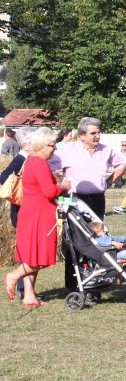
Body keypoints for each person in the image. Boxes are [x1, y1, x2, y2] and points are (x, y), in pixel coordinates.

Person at [49, 117, 126, 293]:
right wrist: (60, 187)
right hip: (76, 200)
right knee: (74, 241)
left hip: (97, 199)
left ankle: (95, 280)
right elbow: (46, 165)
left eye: (98, 132)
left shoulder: (106, 150)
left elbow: (124, 162)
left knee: (97, 238)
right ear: (81, 135)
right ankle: (73, 284)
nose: (97, 136)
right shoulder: (68, 151)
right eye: (93, 133)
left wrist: (110, 181)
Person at [3, 128, 71, 307]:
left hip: (32, 213)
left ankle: (29, 296)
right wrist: (63, 186)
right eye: (52, 146)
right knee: (42, 257)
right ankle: (13, 276)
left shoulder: (32, 161)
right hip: (38, 215)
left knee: (32, 255)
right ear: (42, 145)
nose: (54, 150)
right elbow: (49, 192)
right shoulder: (39, 163)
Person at [0, 127, 36, 297]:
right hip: (22, 211)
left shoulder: (29, 159)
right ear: (27, 143)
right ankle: (23, 288)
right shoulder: (21, 160)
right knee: (26, 253)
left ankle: (27, 290)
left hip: (26, 211)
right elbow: (3, 178)